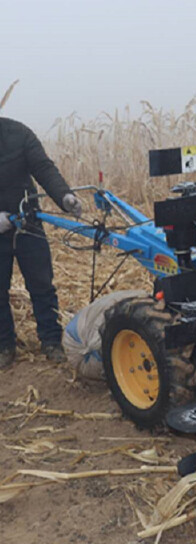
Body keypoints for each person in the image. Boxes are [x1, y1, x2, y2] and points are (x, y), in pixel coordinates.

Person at [0, 117, 82, 369]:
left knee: (41, 284)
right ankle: (4, 346)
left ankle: (50, 341)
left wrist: (65, 196)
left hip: (28, 222)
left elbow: (44, 169)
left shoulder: (19, 133)